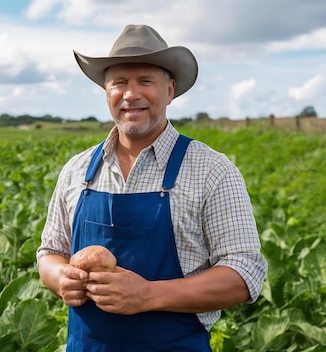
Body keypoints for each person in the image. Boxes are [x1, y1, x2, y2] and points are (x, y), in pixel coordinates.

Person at [36, 24, 267, 351]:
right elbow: (49, 253)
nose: (131, 94)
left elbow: (244, 273)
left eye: (145, 81)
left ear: (169, 90)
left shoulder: (211, 170)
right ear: (107, 91)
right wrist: (60, 278)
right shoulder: (77, 171)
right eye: (120, 82)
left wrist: (148, 295)